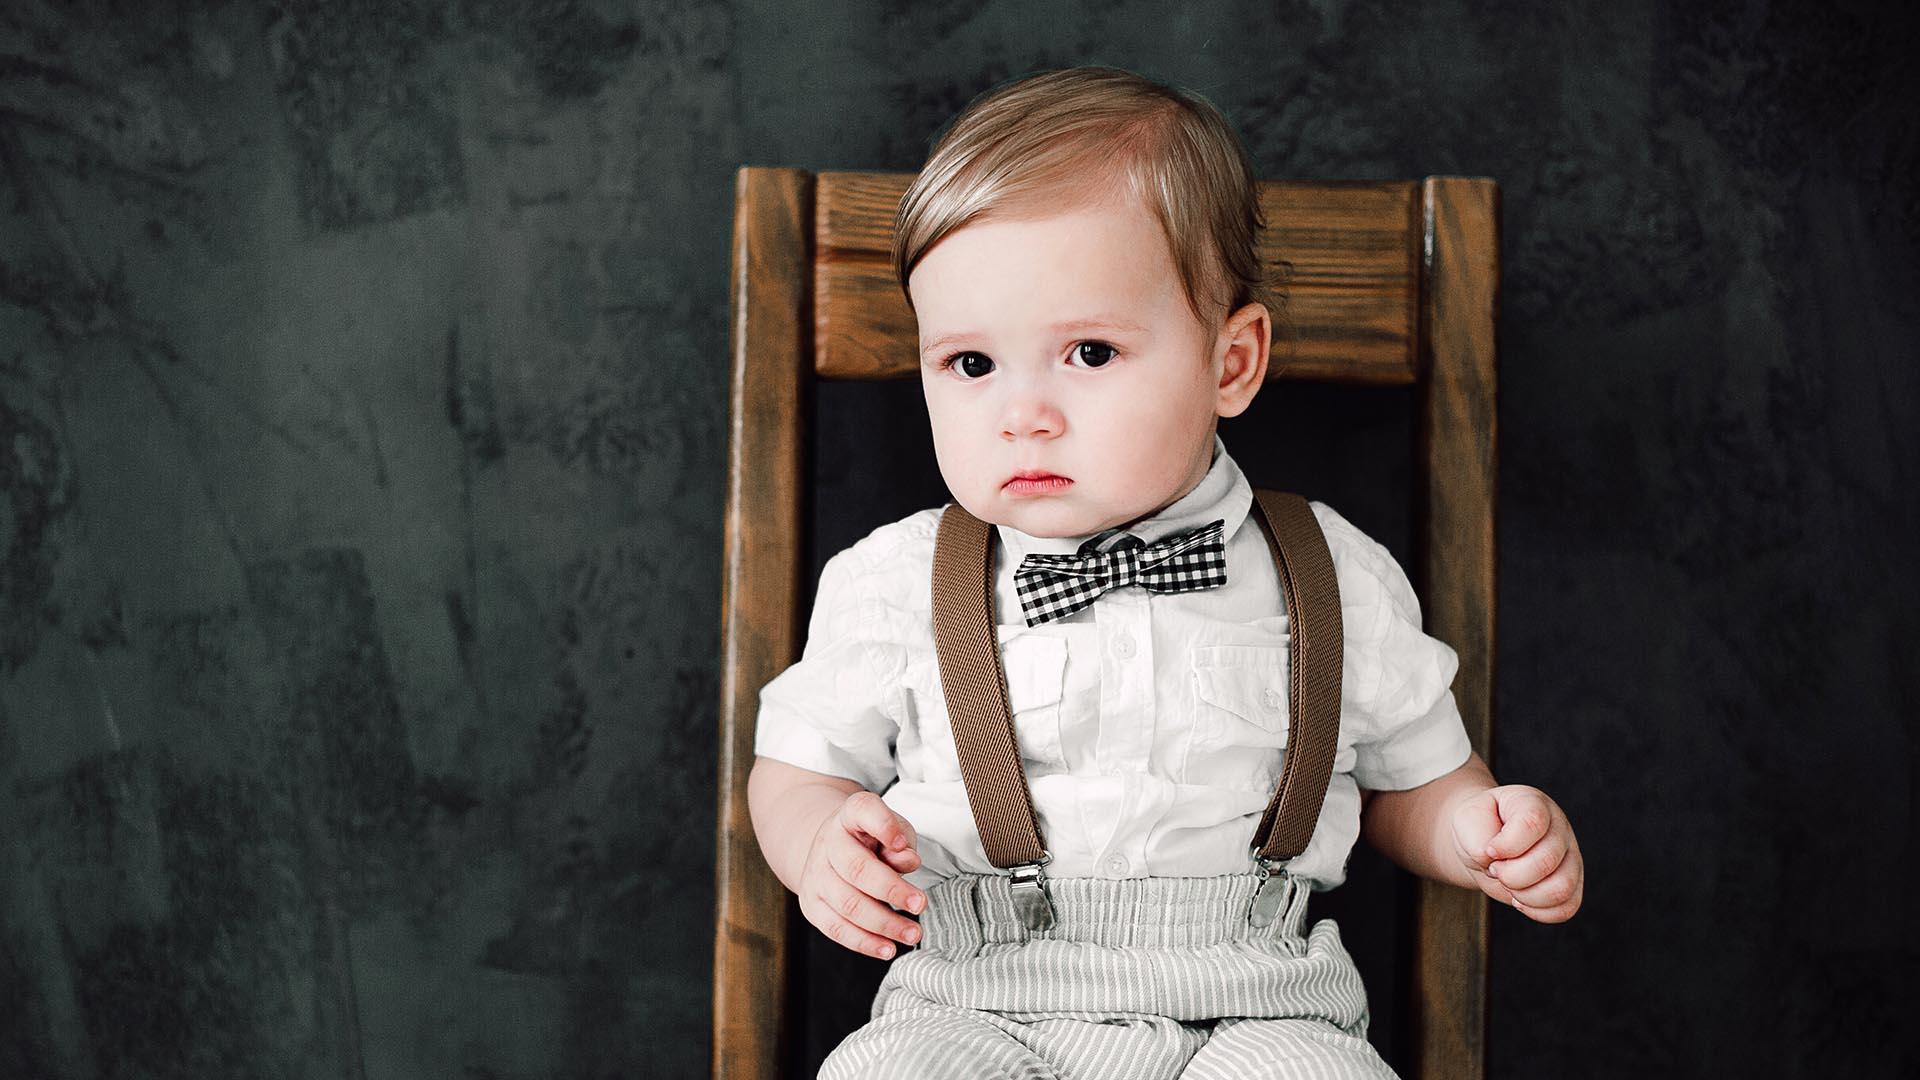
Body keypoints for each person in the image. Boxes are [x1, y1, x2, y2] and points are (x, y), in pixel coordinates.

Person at [747, 65, 1584, 1079]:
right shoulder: (897, 582)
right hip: (978, 1003)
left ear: (1231, 364)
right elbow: (797, 771)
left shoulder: (1330, 575)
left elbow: (1412, 780)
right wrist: (819, 842)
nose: (1024, 412)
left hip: (1259, 1008)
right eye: (972, 365)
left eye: (1089, 353)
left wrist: (1477, 830)